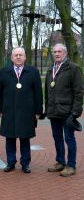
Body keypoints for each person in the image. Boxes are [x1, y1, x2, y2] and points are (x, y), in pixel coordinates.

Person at [0, 47, 43, 173]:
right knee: (10, 138)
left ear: (25, 57)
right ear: (11, 58)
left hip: (27, 111)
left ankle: (25, 163)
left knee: (25, 138)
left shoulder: (33, 71)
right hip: (8, 110)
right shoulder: (5, 71)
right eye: (15, 55)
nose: (18, 57)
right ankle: (11, 162)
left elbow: (38, 92)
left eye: (20, 55)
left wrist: (38, 111)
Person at [45, 43, 83, 177]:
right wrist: (47, 108)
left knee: (69, 139)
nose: (57, 54)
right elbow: (47, 91)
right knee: (57, 138)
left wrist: (75, 112)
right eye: (54, 52)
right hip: (54, 111)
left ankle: (71, 165)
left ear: (65, 53)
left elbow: (79, 92)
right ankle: (60, 161)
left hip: (67, 112)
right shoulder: (51, 69)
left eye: (59, 51)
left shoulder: (73, 68)